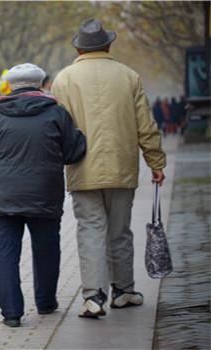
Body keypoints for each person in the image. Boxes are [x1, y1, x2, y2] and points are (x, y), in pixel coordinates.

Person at [51, 18, 166, 318]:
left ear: (78, 47)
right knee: (120, 232)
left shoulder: (63, 80)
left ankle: (93, 296)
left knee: (89, 230)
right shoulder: (129, 76)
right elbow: (146, 125)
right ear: (109, 44)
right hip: (121, 167)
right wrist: (156, 161)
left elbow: (57, 129)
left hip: (81, 169)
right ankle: (124, 291)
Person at [0, 63, 86, 327]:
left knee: (4, 254)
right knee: (47, 250)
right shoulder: (56, 112)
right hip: (44, 194)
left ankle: (11, 313)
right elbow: (73, 152)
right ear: (40, 83)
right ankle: (45, 302)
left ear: (10, 84)